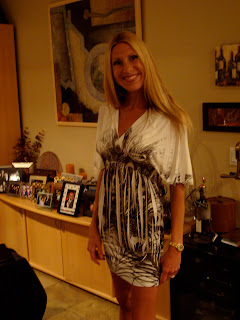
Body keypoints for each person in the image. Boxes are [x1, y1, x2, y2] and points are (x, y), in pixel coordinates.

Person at [88, 31, 193, 320]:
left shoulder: (170, 119)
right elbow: (102, 172)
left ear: (145, 61)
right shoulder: (106, 113)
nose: (127, 68)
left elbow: (178, 185)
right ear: (110, 71)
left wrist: (175, 247)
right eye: (117, 63)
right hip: (111, 229)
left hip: (145, 235)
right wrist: (94, 228)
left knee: (143, 315)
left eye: (133, 58)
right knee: (125, 306)